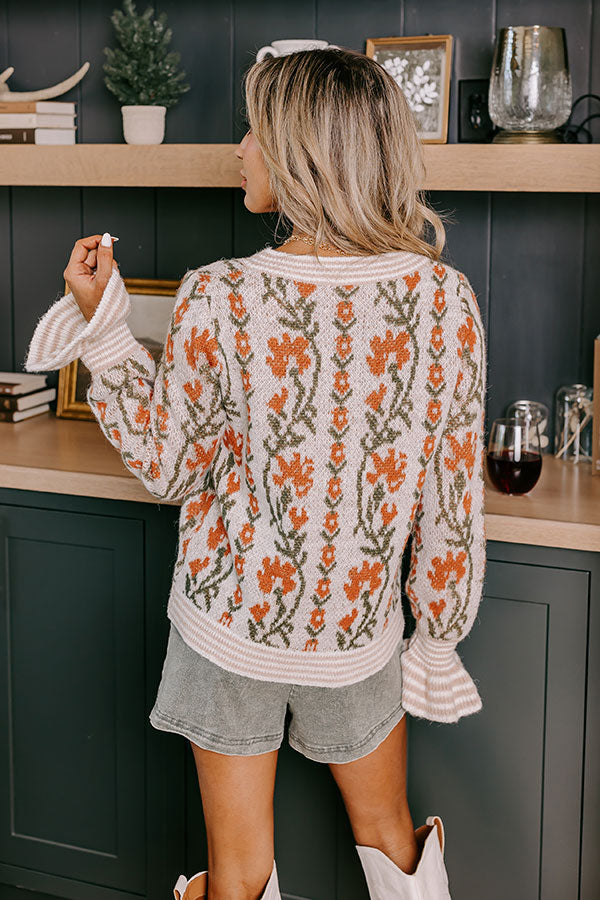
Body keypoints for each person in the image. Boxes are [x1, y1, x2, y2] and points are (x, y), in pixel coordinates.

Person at [25, 47, 487, 900]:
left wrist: (106, 329)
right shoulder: (444, 298)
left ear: (300, 152)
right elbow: (451, 498)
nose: (239, 148)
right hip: (356, 629)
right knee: (392, 839)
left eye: (254, 131)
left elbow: (169, 466)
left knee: (238, 877)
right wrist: (440, 635)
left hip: (227, 628)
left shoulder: (220, 295)